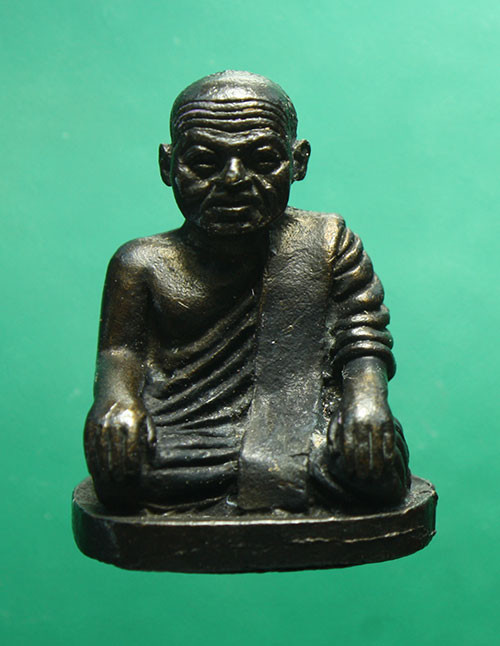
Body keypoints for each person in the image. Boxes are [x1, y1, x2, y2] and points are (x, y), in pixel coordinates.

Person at [84, 71, 410, 512]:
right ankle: (268, 478)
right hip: (186, 433)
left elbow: (362, 338)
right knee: (124, 469)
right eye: (205, 163)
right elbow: (120, 353)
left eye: (262, 160)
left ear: (298, 161)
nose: (234, 179)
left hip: (305, 422)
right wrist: (117, 405)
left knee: (370, 462)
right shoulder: (141, 263)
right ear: (168, 165)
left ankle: (284, 468)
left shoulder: (326, 242)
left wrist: (367, 404)